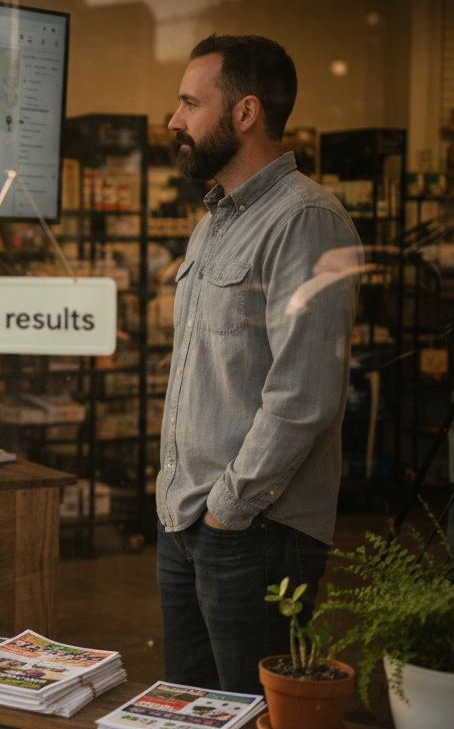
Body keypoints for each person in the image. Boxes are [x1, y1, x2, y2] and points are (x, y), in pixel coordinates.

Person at [156, 34, 363, 694]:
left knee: (248, 708)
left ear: (245, 113)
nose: (174, 121)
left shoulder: (305, 219)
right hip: (188, 518)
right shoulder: (213, 220)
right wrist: (190, 508)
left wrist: (228, 510)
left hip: (252, 529)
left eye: (190, 102)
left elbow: (304, 395)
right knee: (190, 707)